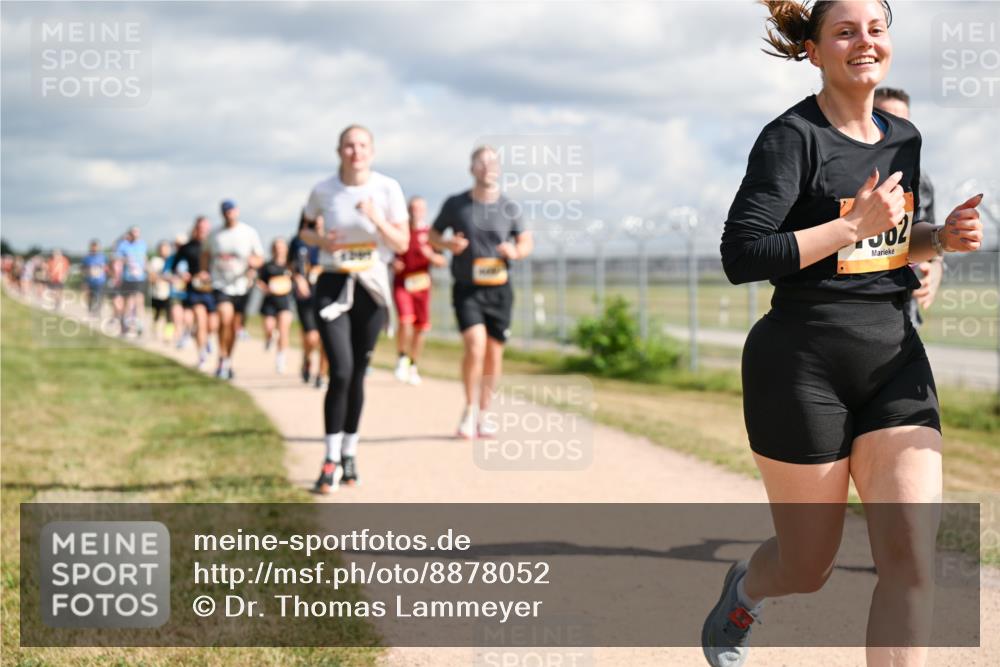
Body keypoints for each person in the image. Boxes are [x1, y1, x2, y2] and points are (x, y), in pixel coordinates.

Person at [708, 3, 985, 667]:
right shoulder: (790, 137)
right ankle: (746, 589)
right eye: (845, 30)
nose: (865, 40)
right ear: (815, 51)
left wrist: (939, 238)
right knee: (808, 567)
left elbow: (888, 242)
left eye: (877, 28)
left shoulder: (903, 138)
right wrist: (850, 226)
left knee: (913, 558)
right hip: (802, 366)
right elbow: (742, 255)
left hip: (892, 359)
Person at [299, 124, 409, 493]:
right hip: (333, 282)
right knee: (341, 371)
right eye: (349, 145)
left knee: (358, 373)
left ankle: (350, 452)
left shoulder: (388, 188)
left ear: (372, 152)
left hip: (371, 286)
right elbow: (303, 231)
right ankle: (329, 458)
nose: (355, 151)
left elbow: (403, 243)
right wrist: (321, 241)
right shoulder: (324, 190)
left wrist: (377, 219)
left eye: (362, 145)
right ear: (339, 151)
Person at [429, 145, 533, 438]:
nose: (488, 167)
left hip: (500, 289)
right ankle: (469, 407)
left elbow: (526, 241)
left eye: (493, 162)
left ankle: (485, 413)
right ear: (472, 168)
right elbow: (432, 235)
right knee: (475, 346)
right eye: (481, 162)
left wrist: (515, 250)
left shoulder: (510, 207)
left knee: (493, 354)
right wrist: (448, 245)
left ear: (499, 169)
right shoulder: (455, 204)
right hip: (467, 288)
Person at [873, 86, 943, 326]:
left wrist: (935, 271)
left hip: (904, 312)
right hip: (853, 313)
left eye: (901, 122)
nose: (894, 130)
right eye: (884, 119)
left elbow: (931, 240)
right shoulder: (842, 173)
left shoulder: (921, 180)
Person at [200, 200, 264, 380]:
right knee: (224, 318)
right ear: (222, 214)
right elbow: (205, 254)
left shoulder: (248, 232)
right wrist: (204, 272)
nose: (229, 214)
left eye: (231, 211)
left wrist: (254, 263)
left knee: (234, 327)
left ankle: (228, 358)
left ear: (237, 211)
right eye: (225, 212)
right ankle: (221, 356)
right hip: (221, 284)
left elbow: (259, 257)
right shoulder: (215, 234)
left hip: (242, 286)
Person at [392, 196, 447, 385]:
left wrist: (430, 255)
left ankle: (413, 364)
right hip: (402, 284)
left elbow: (442, 261)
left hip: (422, 286)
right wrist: (394, 263)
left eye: (419, 208)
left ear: (424, 211)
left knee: (421, 328)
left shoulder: (430, 234)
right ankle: (401, 357)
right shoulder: (400, 231)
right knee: (405, 320)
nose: (416, 211)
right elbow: (389, 256)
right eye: (412, 208)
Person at [290, 210, 329, 387]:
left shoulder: (330, 240)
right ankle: (307, 359)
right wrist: (298, 279)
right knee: (312, 336)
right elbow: (291, 266)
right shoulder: (298, 241)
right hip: (305, 295)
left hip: (327, 293)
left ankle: (321, 374)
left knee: (327, 337)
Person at [177, 216, 217, 369]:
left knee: (212, 325)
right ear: (196, 228)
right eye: (201, 228)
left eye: (206, 229)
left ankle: (207, 339)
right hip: (194, 289)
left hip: (212, 290)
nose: (203, 231)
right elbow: (176, 265)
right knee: (200, 321)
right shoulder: (187, 247)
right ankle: (202, 355)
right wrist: (182, 274)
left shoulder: (214, 246)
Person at [257, 238, 295, 374]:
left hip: (284, 301)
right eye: (277, 246)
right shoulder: (268, 266)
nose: (279, 249)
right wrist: (266, 288)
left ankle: (281, 358)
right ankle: (268, 338)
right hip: (270, 301)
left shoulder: (290, 266)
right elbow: (259, 280)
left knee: (284, 330)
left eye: (281, 246)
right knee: (269, 328)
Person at [113, 227, 148, 336]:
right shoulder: (124, 245)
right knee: (128, 302)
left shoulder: (142, 244)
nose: (135, 234)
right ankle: (125, 326)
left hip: (140, 278)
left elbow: (144, 259)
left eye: (137, 232)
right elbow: (116, 256)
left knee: (139, 301)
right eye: (133, 232)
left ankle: (139, 325)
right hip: (128, 277)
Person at [164, 233, 193, 348]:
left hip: (189, 292)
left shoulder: (191, 257)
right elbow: (165, 273)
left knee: (188, 316)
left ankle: (187, 334)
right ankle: (179, 336)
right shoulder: (172, 258)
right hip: (175, 292)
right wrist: (172, 278)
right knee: (177, 315)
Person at [147, 241, 173, 343]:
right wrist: (161, 278)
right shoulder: (155, 261)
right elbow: (151, 277)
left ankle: (168, 336)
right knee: (156, 314)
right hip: (156, 293)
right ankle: (154, 332)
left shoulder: (172, 261)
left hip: (169, 292)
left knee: (169, 315)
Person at [81, 240, 108, 317]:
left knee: (99, 296)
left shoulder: (103, 257)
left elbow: (107, 267)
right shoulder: (87, 258)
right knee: (90, 297)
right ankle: (90, 309)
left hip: (100, 281)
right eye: (93, 247)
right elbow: (83, 269)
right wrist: (84, 280)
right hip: (90, 281)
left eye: (96, 247)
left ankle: (97, 311)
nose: (95, 248)